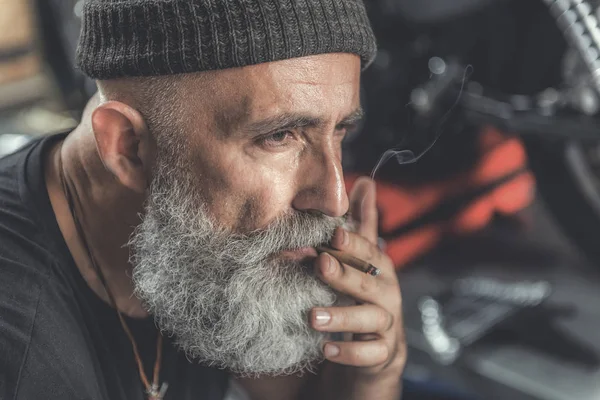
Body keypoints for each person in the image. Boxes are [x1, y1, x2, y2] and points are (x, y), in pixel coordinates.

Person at [0, 0, 406, 399]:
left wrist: (362, 383)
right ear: (128, 148)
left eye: (340, 131)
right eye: (279, 136)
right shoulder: (21, 360)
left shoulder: (195, 249)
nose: (335, 200)